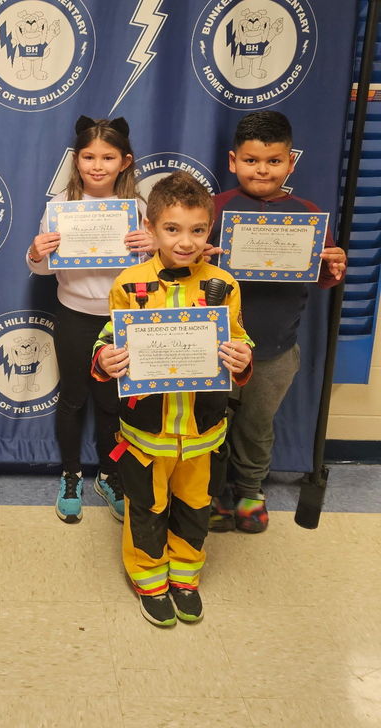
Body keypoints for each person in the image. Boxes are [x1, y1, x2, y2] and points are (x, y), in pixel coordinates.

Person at [91, 172, 252, 627]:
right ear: (152, 226)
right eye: (173, 229)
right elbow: (108, 337)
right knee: (146, 509)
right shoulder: (130, 282)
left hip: (203, 432)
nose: (186, 241)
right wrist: (106, 358)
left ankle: (185, 575)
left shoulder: (224, 283)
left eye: (198, 230)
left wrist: (242, 356)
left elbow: (240, 338)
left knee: (196, 506)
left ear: (210, 230)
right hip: (146, 433)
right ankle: (149, 578)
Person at [209, 111, 346, 533]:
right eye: (251, 161)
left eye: (273, 161)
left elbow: (320, 277)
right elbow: (179, 261)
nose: (262, 170)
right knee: (209, 421)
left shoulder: (307, 217)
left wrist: (334, 265)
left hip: (275, 348)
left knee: (256, 423)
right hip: (213, 345)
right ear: (233, 161)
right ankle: (212, 492)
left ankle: (250, 488)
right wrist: (197, 256)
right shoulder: (213, 210)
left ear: (291, 163)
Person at [27, 115, 152, 523]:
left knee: (112, 402)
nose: (97, 165)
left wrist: (154, 247)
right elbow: (44, 270)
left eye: (107, 157)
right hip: (75, 315)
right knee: (73, 397)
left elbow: (156, 271)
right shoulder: (60, 208)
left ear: (125, 161)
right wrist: (36, 252)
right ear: (76, 161)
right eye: (88, 157)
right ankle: (70, 474)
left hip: (123, 321)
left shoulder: (138, 209)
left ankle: (110, 474)